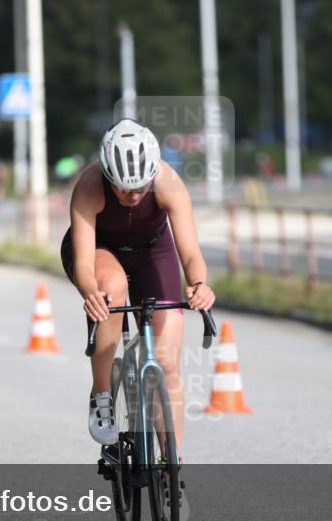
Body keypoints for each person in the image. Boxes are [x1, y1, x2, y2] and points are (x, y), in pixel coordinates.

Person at [61, 118, 216, 462]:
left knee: (167, 362)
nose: (132, 196)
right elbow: (85, 264)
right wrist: (92, 293)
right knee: (112, 289)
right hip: (100, 250)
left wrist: (200, 285)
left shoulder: (167, 181)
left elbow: (190, 253)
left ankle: (169, 465)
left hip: (151, 251)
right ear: (107, 175)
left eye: (140, 188)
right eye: (122, 188)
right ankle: (101, 393)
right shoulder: (89, 185)